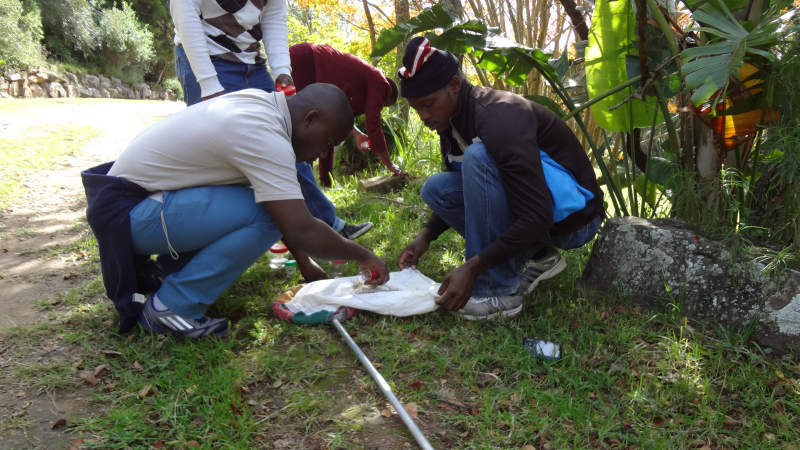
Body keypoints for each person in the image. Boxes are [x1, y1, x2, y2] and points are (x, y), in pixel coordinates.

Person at [82, 84, 390, 338]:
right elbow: (297, 226)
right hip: (130, 214)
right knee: (265, 214)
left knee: (265, 206)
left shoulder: (261, 104)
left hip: (130, 206)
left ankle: (165, 274)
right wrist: (363, 256)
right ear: (311, 119)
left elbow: (282, 207)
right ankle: (171, 307)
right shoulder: (264, 134)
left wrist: (305, 265)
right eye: (326, 143)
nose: (322, 154)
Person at [396, 37, 604, 320]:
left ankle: (497, 292)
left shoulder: (497, 116)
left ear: (454, 85)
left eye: (428, 104)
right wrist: (426, 235)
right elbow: (472, 192)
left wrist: (473, 268)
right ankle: (537, 256)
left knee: (478, 157)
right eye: (417, 109)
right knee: (436, 189)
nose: (423, 116)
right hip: (534, 212)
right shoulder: (452, 123)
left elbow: (538, 215)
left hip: (572, 222)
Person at [169, 0, 373, 241]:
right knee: (220, 159)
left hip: (252, 63)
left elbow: (273, 19)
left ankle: (326, 228)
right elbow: (184, 9)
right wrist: (209, 84)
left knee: (290, 141)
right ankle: (202, 244)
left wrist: (282, 70)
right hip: (206, 58)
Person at [290, 43, 406, 187]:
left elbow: (334, 120)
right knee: (301, 127)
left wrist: (357, 134)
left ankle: (326, 183)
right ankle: (302, 186)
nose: (378, 107)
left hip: (304, 56)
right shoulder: (380, 83)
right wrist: (390, 164)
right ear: (385, 97)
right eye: (382, 105)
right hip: (307, 59)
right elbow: (373, 125)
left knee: (325, 128)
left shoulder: (367, 83)